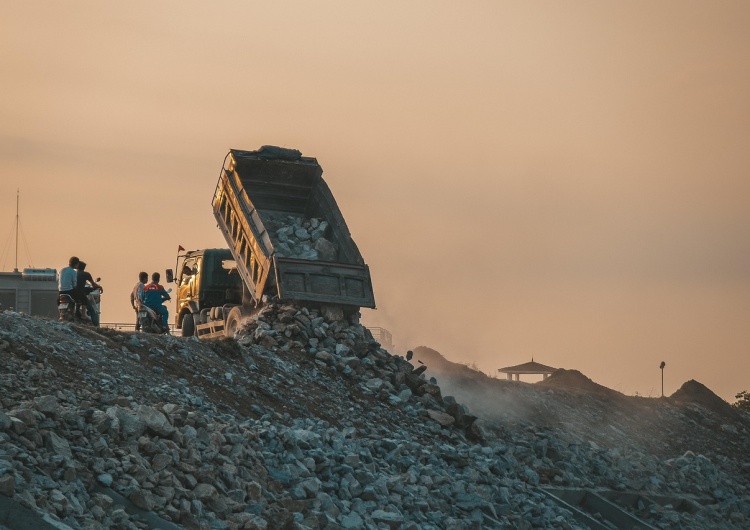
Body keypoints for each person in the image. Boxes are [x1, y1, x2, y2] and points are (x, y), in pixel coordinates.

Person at [74, 261, 102, 326]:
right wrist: (99, 286)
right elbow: (93, 284)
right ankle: (96, 325)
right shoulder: (86, 274)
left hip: (72, 293)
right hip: (81, 294)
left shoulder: (74, 274)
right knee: (92, 310)